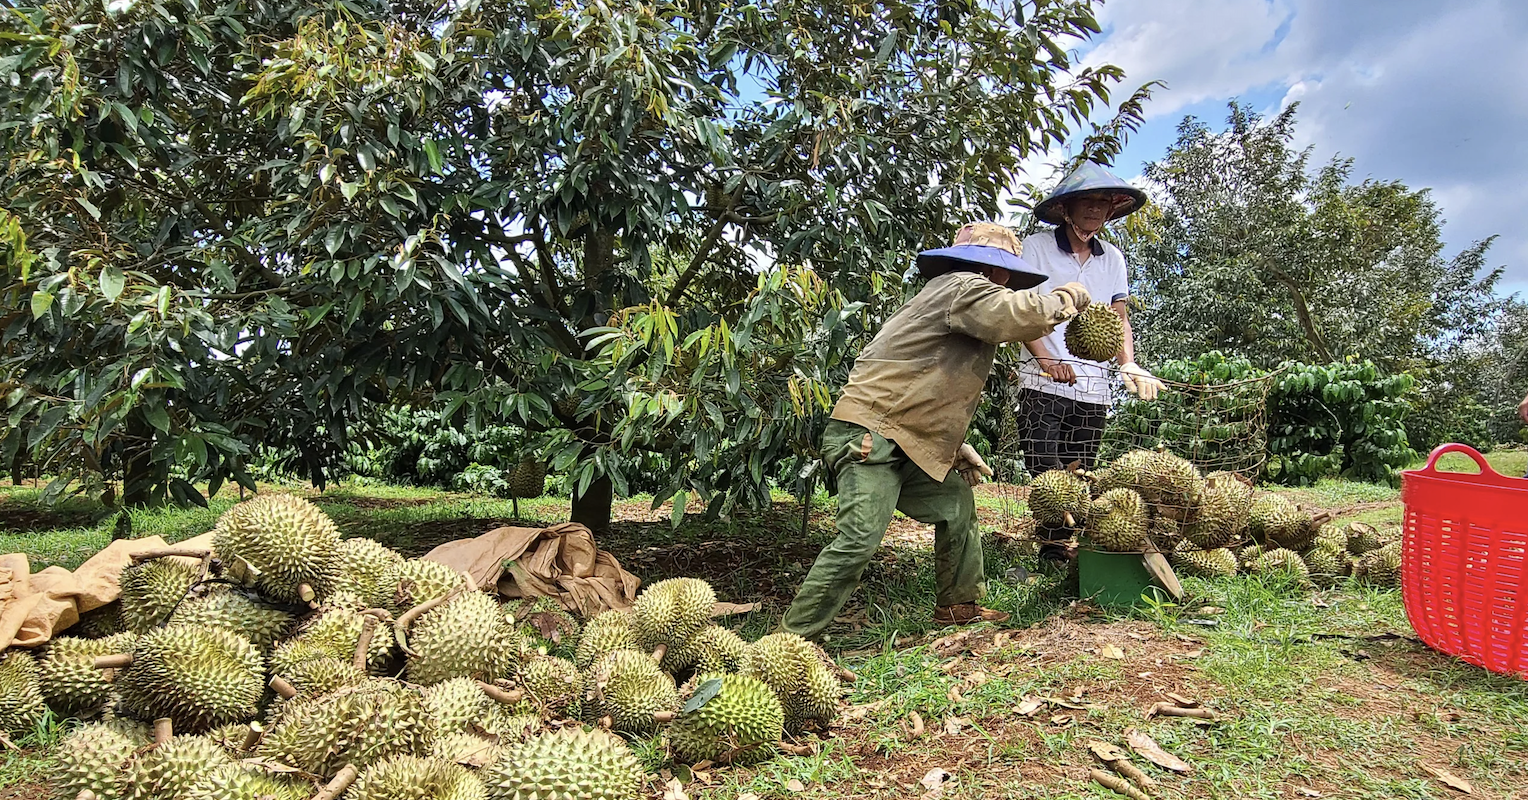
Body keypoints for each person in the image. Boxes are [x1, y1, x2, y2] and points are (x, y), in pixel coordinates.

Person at [780, 222, 1091, 641]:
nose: (1005, 280)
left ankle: (959, 606)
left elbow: (925, 382)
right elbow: (1015, 315)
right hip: (870, 435)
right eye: (1004, 271)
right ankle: (791, 639)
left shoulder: (955, 298)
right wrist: (1065, 297)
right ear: (992, 269)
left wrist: (953, 445)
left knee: (956, 502)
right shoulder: (962, 286)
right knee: (860, 538)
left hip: (903, 434)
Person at [1015, 162, 1166, 564]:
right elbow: (1019, 310)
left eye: (1104, 204)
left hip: (1095, 383)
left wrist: (1128, 364)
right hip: (1041, 380)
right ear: (1066, 208)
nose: (1096, 211)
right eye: (1088, 202)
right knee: (1045, 464)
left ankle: (1072, 540)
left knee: (1080, 465)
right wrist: (1046, 359)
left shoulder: (1113, 258)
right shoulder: (1036, 249)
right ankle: (1053, 545)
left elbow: (1118, 319)